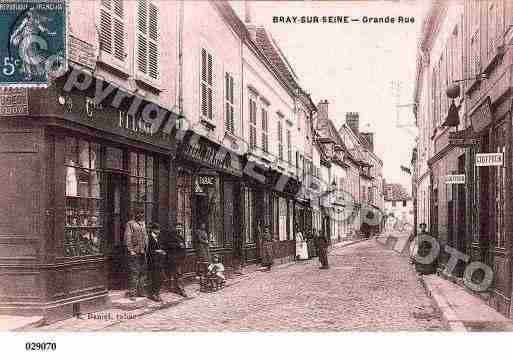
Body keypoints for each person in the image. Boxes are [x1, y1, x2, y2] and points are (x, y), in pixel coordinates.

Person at [124, 208, 149, 300]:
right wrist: (131, 250)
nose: (140, 215)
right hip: (135, 252)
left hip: (143, 252)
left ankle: (141, 291)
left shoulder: (143, 224)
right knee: (134, 273)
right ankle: (133, 293)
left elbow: (146, 237)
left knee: (143, 273)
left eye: (142, 213)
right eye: (138, 213)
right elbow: (128, 237)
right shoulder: (130, 224)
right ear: (135, 214)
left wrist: (146, 249)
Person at [165, 223, 188, 297]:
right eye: (178, 227)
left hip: (180, 258)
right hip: (174, 258)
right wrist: (178, 245)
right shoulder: (171, 236)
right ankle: (181, 290)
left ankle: (175, 288)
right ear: (174, 228)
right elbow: (168, 245)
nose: (179, 229)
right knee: (178, 274)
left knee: (177, 274)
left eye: (180, 227)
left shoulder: (181, 236)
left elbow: (183, 246)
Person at [147, 222, 166, 302]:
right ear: (152, 229)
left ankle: (156, 293)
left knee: (161, 277)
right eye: (156, 229)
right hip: (153, 261)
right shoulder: (149, 238)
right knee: (155, 278)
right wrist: (158, 251)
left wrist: (162, 251)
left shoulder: (158, 238)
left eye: (158, 229)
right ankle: (153, 294)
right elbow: (148, 250)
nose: (158, 231)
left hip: (159, 261)